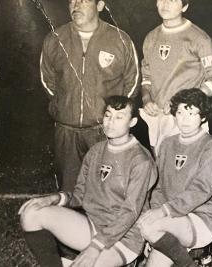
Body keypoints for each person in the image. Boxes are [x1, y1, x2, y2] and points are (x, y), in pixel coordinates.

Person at [19, 96, 156, 267]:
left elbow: (130, 212)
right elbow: (79, 195)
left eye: (119, 117)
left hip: (125, 236)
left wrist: (95, 248)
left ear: (133, 122)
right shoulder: (96, 151)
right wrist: (53, 199)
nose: (110, 122)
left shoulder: (141, 160)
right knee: (31, 214)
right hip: (93, 224)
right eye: (108, 115)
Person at [39, 0, 139, 192]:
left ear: (100, 5)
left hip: (104, 131)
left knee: (107, 191)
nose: (76, 5)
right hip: (67, 131)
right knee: (69, 192)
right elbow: (47, 78)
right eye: (72, 1)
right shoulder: (55, 38)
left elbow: (132, 81)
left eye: (83, 0)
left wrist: (115, 118)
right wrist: (64, 106)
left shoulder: (120, 39)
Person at [137, 89, 212, 267]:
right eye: (180, 113)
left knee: (148, 226)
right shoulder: (168, 144)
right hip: (170, 217)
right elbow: (159, 187)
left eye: (192, 113)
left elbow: (200, 190)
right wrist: (156, 214)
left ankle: (190, 261)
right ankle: (185, 255)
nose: (184, 119)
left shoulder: (211, 147)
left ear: (203, 117)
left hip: (201, 217)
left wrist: (162, 214)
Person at [140, 0, 212, 153]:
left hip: (186, 118)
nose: (166, 4)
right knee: (160, 169)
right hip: (158, 117)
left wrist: (183, 100)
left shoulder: (199, 38)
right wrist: (146, 99)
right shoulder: (151, 37)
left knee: (185, 171)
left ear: (184, 6)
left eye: (173, 0)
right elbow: (146, 77)